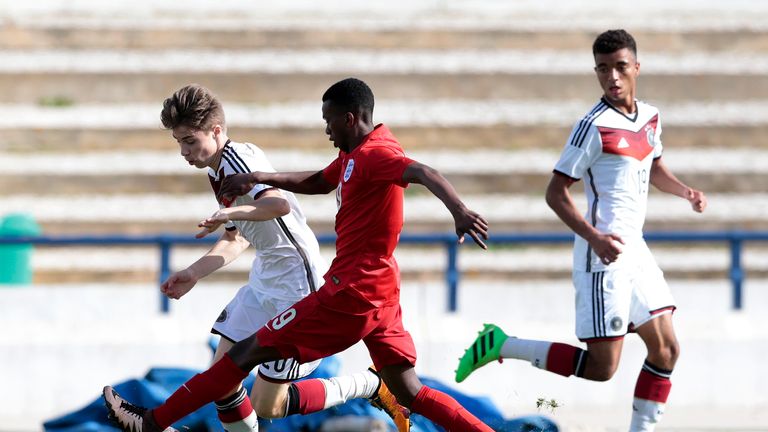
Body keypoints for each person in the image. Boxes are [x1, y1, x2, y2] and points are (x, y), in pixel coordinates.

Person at [103, 78, 493, 432]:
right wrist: (194, 271)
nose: (184, 151)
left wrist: (459, 212)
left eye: (189, 140)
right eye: (179, 143)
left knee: (254, 383)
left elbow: (279, 207)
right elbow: (260, 222)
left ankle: (151, 423)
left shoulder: (369, 155)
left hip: (314, 285)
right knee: (226, 374)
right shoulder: (344, 157)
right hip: (294, 281)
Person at [455, 29, 707, 432]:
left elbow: (654, 166)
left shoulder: (651, 116)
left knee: (667, 349)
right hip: (601, 256)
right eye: (604, 69)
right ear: (596, 72)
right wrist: (594, 237)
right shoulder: (592, 126)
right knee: (601, 368)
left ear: (636, 68)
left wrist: (685, 192)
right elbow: (555, 193)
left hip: (635, 252)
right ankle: (501, 344)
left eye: (621, 67)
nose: (613, 77)